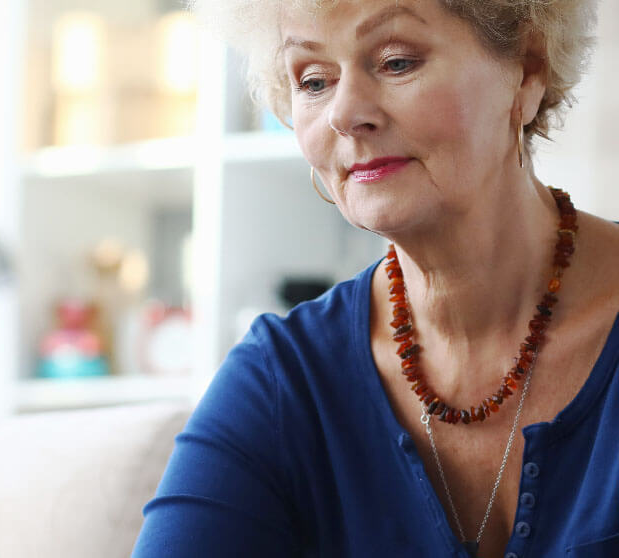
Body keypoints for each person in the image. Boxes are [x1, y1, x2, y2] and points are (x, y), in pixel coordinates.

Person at [132, 1, 619, 556]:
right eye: (313, 80)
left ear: (527, 71)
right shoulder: (285, 381)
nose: (344, 113)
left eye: (395, 62)